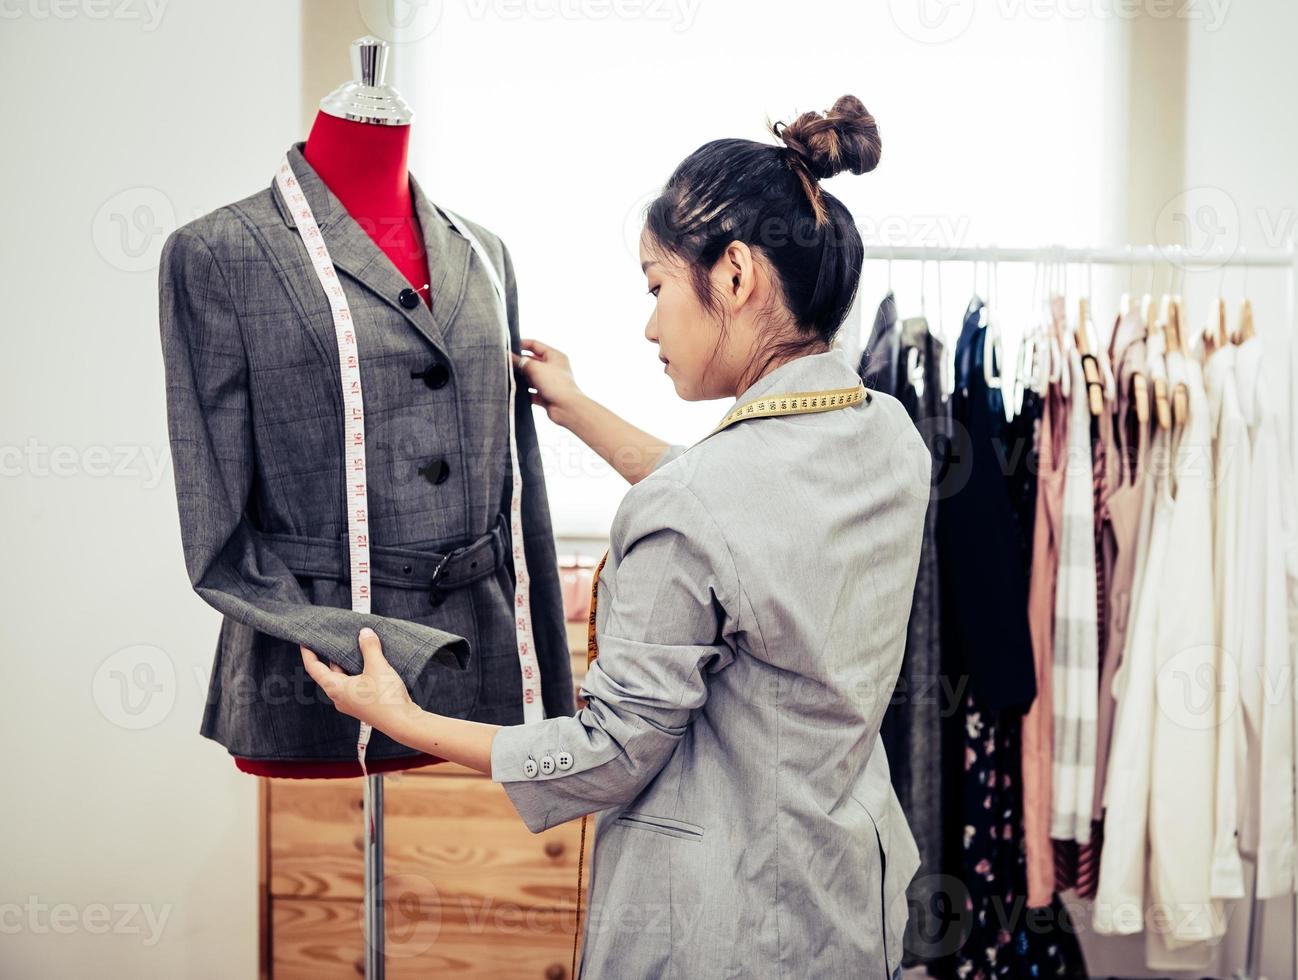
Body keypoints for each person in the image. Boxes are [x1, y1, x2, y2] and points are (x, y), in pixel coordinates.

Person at [302, 95, 925, 980]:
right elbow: (752, 509)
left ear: (737, 276)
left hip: (722, 924)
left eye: (656, 286)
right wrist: (579, 409)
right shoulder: (889, 437)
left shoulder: (696, 505)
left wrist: (404, 718)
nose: (649, 324)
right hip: (844, 895)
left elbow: (604, 754)